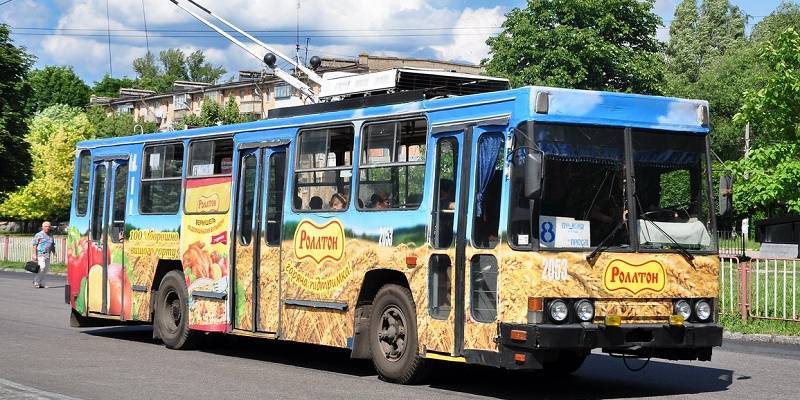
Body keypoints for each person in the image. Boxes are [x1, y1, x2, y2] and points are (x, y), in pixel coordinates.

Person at [31, 221, 56, 289]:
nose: (47, 227)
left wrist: (54, 253)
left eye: (49, 226)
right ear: (42, 227)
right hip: (40, 254)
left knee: (45, 270)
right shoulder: (38, 235)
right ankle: (36, 281)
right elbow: (34, 245)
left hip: (48, 255)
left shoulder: (51, 235)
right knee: (42, 267)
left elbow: (52, 245)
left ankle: (41, 283)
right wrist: (34, 254)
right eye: (46, 226)